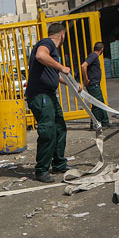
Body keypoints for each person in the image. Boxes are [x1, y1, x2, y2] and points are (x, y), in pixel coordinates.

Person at [25, 22, 79, 183]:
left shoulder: (52, 52)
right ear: (62, 35)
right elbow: (40, 55)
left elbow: (54, 75)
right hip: (40, 96)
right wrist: (61, 66)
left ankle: (59, 163)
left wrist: (74, 85)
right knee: (48, 131)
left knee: (60, 127)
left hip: (48, 95)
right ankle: (41, 170)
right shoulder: (47, 43)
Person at [81, 42, 110, 129]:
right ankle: (96, 123)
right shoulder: (93, 56)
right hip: (93, 84)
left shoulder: (93, 56)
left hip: (95, 84)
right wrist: (86, 79)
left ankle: (104, 121)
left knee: (99, 103)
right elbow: (83, 66)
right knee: (97, 104)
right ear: (101, 49)